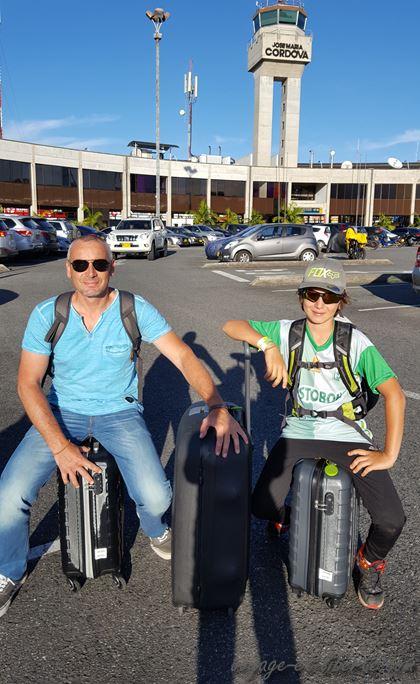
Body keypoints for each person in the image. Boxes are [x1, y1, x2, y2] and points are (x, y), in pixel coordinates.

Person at [0, 234, 246, 618]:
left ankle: (155, 530)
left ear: (112, 268)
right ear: (68, 270)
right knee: (8, 495)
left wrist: (215, 403)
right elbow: (27, 384)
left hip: (119, 413)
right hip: (62, 411)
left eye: (99, 264)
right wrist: (61, 447)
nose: (90, 272)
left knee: (156, 497)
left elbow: (182, 355)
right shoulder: (49, 313)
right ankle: (9, 571)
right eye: (81, 265)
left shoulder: (133, 309)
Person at [223, 258, 406, 610]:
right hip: (300, 432)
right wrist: (267, 345)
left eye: (329, 296)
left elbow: (394, 394)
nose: (320, 304)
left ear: (341, 301)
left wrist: (388, 454)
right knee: (262, 506)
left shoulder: (355, 341)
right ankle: (295, 518)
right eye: (312, 294)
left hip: (348, 435)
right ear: (301, 296)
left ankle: (368, 562)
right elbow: (231, 325)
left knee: (391, 519)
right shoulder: (287, 333)